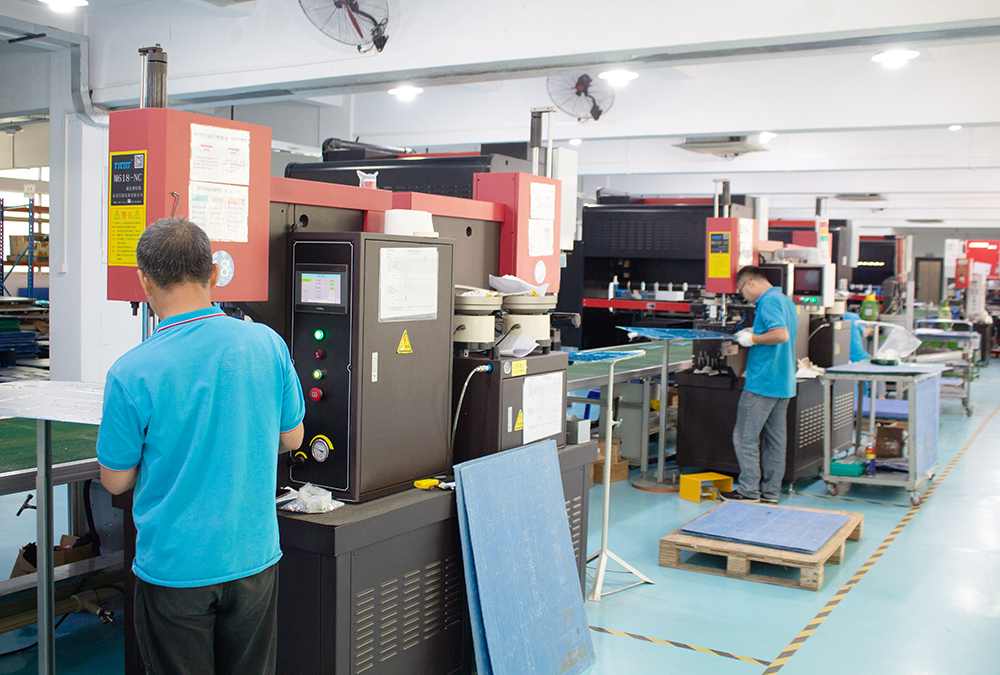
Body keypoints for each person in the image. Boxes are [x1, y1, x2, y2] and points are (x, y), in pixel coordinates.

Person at [97, 217, 305, 675]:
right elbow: (291, 438)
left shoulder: (131, 371)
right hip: (253, 560)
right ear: (214, 273)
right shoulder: (267, 343)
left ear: (144, 282)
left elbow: (115, 480)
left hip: (176, 570)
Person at [720, 265, 798, 504]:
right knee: (775, 441)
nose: (743, 296)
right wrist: (756, 331)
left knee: (745, 438)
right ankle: (771, 493)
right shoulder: (785, 300)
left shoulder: (768, 301)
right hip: (783, 382)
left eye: (741, 291)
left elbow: (781, 335)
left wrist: (752, 338)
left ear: (750, 283)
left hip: (763, 382)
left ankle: (748, 491)